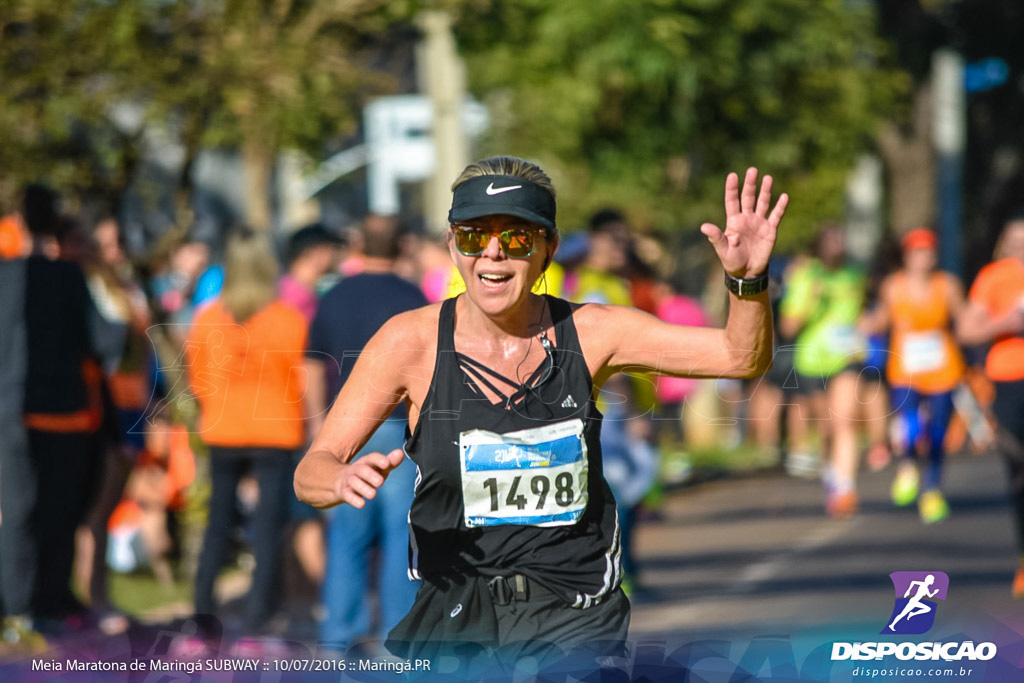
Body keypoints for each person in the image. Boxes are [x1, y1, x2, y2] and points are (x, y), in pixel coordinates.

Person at [294, 156, 787, 671]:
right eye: (473, 236)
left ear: (548, 249)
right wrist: (338, 478)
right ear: (451, 245)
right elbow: (315, 466)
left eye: (515, 238)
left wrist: (747, 281)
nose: (492, 252)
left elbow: (741, 356)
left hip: (575, 613)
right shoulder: (408, 342)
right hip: (457, 614)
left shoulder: (594, 333)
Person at [303, 214, 427, 650]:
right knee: (401, 534)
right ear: (402, 246)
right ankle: (397, 634)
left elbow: (313, 364)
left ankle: (340, 634)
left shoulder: (334, 294)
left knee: (347, 534)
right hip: (398, 427)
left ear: (359, 243)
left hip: (347, 427)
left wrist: (320, 429)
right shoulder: (412, 296)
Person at [186, 227, 308, 635]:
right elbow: (300, 380)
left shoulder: (207, 319)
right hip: (275, 432)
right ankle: (257, 618)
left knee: (218, 524)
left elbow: (197, 379)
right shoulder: (287, 320)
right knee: (269, 528)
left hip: (224, 430)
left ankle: (202, 613)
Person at [862, 228, 965, 524]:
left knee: (937, 432)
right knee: (909, 424)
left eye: (929, 252)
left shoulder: (947, 285)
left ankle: (932, 489)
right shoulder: (893, 287)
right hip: (906, 370)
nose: (924, 258)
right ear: (907, 256)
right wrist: (867, 324)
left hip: (943, 369)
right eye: (918, 252)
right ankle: (907, 465)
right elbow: (882, 319)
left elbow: (963, 318)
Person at [779, 225, 869, 518]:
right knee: (828, 427)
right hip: (812, 360)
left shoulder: (855, 274)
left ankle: (845, 487)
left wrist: (869, 322)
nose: (836, 245)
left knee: (845, 422)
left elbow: (865, 310)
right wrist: (810, 300)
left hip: (847, 357)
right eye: (829, 240)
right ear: (819, 245)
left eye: (840, 239)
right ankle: (831, 472)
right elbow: (788, 326)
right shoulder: (805, 275)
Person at [956, 214, 1024, 598]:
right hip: (1011, 380)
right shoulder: (994, 277)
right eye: (1015, 240)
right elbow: (967, 329)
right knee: (1018, 468)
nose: (1021, 247)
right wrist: (1006, 323)